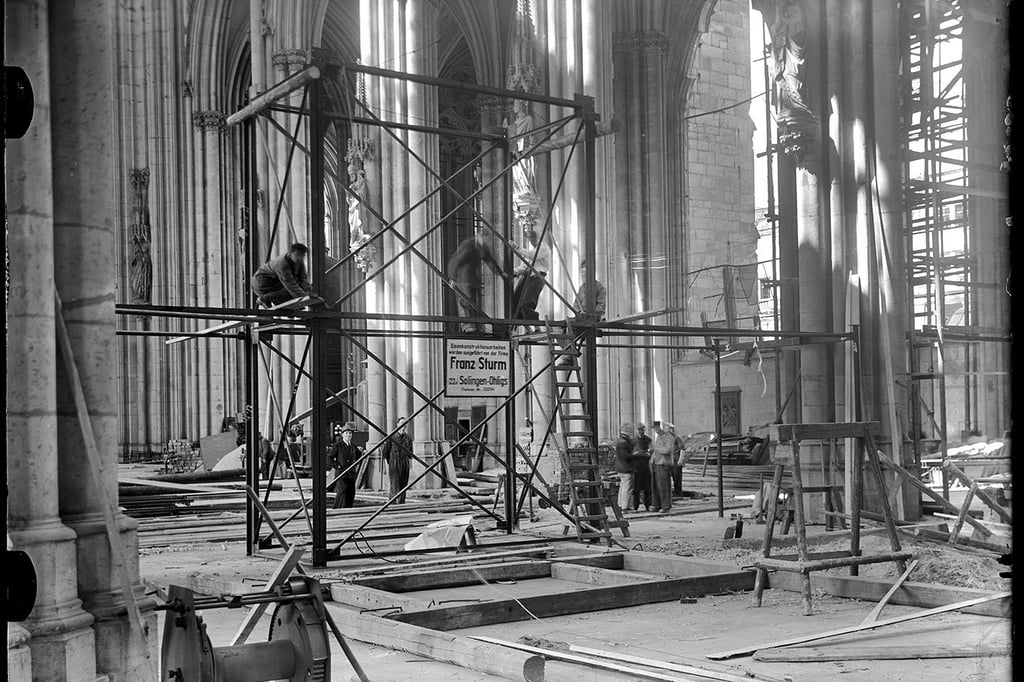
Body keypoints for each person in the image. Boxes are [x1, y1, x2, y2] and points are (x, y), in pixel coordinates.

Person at [447, 233, 505, 333]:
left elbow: (489, 260)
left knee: (475, 302)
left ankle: (478, 325)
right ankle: (468, 326)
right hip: (463, 278)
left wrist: (501, 273)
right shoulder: (470, 244)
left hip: (473, 278)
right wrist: (451, 278)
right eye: (488, 240)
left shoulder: (482, 246)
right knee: (465, 301)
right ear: (483, 237)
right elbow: (457, 261)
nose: (490, 243)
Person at [251, 242, 324, 307]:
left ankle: (267, 299)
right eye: (297, 255)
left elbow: (303, 279)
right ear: (290, 253)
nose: (299, 258)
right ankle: (265, 298)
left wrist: (310, 293)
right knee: (291, 291)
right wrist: (306, 299)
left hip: (275, 281)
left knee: (296, 289)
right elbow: (291, 285)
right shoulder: (282, 264)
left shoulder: (299, 262)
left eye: (302, 256)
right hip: (261, 282)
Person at [511, 229, 550, 328]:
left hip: (537, 276)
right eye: (530, 239)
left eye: (533, 238)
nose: (532, 241)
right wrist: (512, 272)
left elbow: (532, 256)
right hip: (528, 277)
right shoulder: (531, 250)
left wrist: (516, 247)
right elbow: (524, 266)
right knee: (516, 301)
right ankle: (527, 328)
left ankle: (536, 327)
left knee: (527, 302)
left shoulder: (543, 248)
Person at [328, 422, 362, 509]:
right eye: (346, 433)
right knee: (342, 492)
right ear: (342, 435)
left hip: (350, 474)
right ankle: (337, 509)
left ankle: (348, 510)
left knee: (350, 493)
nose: (348, 435)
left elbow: (359, 455)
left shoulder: (353, 446)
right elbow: (330, 458)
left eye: (350, 433)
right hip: (341, 473)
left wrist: (355, 464)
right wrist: (337, 466)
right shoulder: (338, 445)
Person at [382, 417, 413, 504]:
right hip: (394, 463)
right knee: (395, 485)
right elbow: (385, 453)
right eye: (401, 424)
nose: (403, 427)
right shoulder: (391, 437)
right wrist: (386, 467)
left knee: (404, 485)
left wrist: (409, 466)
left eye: (405, 424)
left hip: (405, 463)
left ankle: (401, 504)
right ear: (397, 425)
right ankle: (392, 504)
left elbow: (410, 454)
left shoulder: (408, 438)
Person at [651, 422, 677, 513]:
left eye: (656, 428)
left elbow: (668, 450)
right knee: (656, 486)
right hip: (657, 463)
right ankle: (657, 504)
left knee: (664, 486)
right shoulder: (658, 437)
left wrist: (657, 449)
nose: (655, 430)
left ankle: (666, 506)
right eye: (654, 428)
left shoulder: (669, 437)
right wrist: (652, 459)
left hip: (664, 464)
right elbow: (655, 450)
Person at [571, 259, 607, 324]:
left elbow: (601, 306)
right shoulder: (582, 288)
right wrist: (579, 312)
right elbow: (576, 304)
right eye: (582, 273)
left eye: (585, 273)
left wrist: (591, 314)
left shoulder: (599, 287)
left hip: (593, 318)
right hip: (581, 318)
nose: (583, 276)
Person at [614, 423, 636, 512]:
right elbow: (625, 456)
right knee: (627, 488)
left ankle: (621, 504)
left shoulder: (621, 441)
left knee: (623, 487)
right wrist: (634, 455)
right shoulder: (623, 442)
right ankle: (626, 506)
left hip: (621, 467)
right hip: (626, 468)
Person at [632, 423, 653, 512]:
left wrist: (646, 453)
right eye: (639, 429)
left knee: (647, 487)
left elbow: (652, 451)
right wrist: (636, 454)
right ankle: (635, 506)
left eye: (642, 429)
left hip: (646, 466)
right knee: (636, 488)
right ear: (636, 430)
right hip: (636, 466)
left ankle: (648, 505)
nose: (641, 431)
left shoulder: (648, 440)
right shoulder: (632, 441)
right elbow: (629, 453)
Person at [668, 423, 685, 495]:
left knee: (677, 478)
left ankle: (678, 493)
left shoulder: (677, 438)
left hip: (676, 461)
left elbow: (683, 449)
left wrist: (680, 460)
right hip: (668, 461)